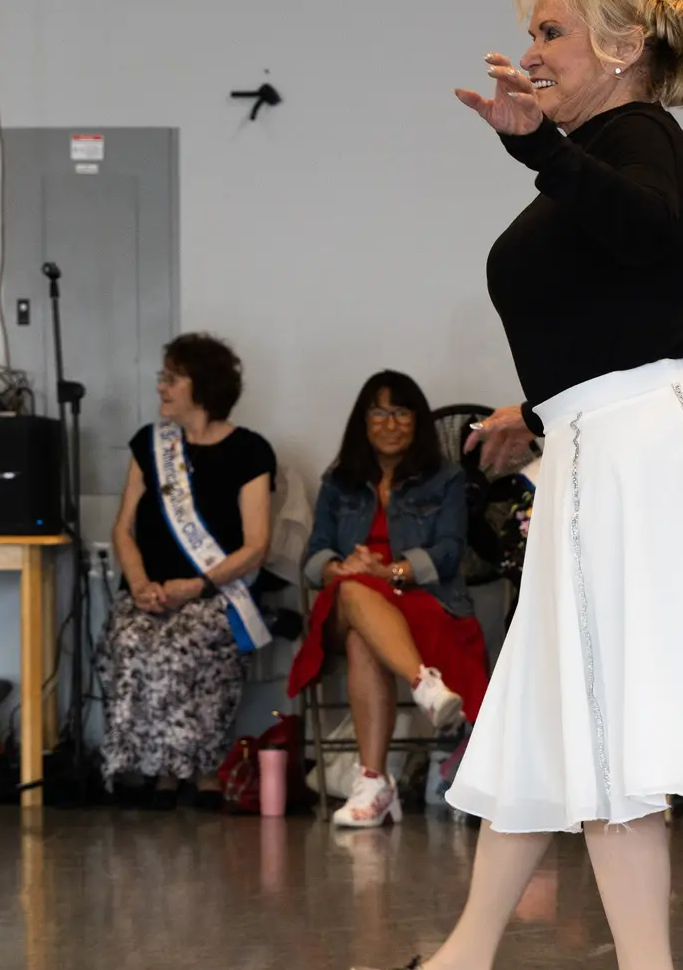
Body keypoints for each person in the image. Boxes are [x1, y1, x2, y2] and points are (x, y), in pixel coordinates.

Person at [345, 0, 683, 970]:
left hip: (640, 446)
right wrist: (533, 409)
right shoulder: (598, 152)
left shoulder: (640, 136)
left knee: (605, 730)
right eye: (534, 31)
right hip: (605, 438)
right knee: (548, 715)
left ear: (622, 45)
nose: (533, 51)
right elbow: (627, 303)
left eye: (551, 31)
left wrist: (538, 149)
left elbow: (671, 240)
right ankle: (462, 964)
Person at [289, 370, 491, 829]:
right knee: (352, 591)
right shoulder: (339, 481)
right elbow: (314, 552)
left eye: (401, 412)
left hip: (419, 599)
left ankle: (373, 783)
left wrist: (393, 571)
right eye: (379, 413)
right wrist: (338, 568)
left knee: (363, 639)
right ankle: (424, 684)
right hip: (346, 600)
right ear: (363, 421)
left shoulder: (445, 479)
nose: (390, 423)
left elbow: (450, 550)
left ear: (417, 420)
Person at [96, 334, 275, 806]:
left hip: (217, 594)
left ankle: (202, 767)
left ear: (203, 386)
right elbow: (123, 529)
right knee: (130, 637)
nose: (161, 387)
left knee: (184, 640)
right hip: (150, 592)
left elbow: (256, 546)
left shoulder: (250, 451)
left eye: (172, 379)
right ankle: (156, 769)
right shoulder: (149, 444)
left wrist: (197, 585)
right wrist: (139, 584)